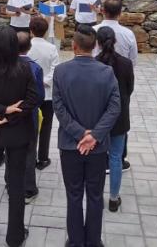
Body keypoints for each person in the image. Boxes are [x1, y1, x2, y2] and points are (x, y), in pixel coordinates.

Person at [53, 24, 121, 247]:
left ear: (74, 46)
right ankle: (93, 241)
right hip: (97, 147)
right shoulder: (107, 72)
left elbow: (58, 107)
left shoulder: (61, 71)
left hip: (70, 144)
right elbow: (114, 108)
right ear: (94, 47)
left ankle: (75, 241)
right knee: (95, 195)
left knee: (73, 195)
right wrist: (94, 135)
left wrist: (79, 133)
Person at [0, 27, 40, 247]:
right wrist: (7, 112)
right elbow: (32, 101)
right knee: (16, 183)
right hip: (16, 132)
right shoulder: (24, 69)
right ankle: (15, 235)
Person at [95, 27, 134, 213]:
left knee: (97, 158)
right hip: (119, 115)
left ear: (97, 43)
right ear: (115, 41)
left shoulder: (94, 63)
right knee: (116, 158)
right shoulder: (126, 63)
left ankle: (96, 196)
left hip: (99, 117)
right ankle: (113, 198)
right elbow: (129, 88)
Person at [28, 16, 60, 170]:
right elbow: (55, 69)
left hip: (29, 93)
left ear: (30, 30)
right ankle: (43, 158)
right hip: (46, 93)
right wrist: (44, 81)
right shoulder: (51, 48)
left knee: (30, 126)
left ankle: (30, 157)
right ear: (46, 31)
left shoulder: (26, 46)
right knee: (46, 127)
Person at [17, 30, 45, 203]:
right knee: (29, 150)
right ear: (29, 47)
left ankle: (10, 182)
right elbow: (39, 96)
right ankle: (28, 189)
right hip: (29, 115)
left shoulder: (5, 65)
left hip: (9, 114)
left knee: (10, 149)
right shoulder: (35, 68)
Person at [94, 0, 137, 65]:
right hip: (122, 70)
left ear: (103, 11)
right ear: (120, 13)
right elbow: (133, 59)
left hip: (96, 69)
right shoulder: (128, 34)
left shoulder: (93, 31)